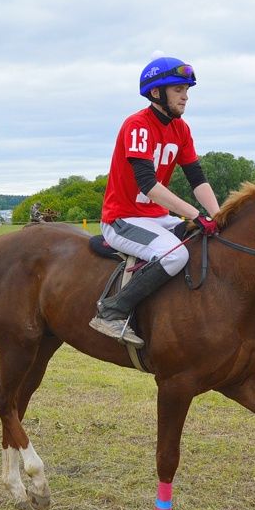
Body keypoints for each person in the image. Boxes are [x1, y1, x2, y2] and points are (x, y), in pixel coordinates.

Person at [89, 55, 221, 348]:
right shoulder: (137, 125)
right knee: (175, 255)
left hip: (156, 217)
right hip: (122, 218)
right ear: (156, 92)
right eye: (179, 90)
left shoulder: (181, 129)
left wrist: (219, 216)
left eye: (187, 90)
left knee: (203, 240)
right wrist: (194, 214)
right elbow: (148, 185)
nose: (186, 97)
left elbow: (197, 179)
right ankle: (112, 311)